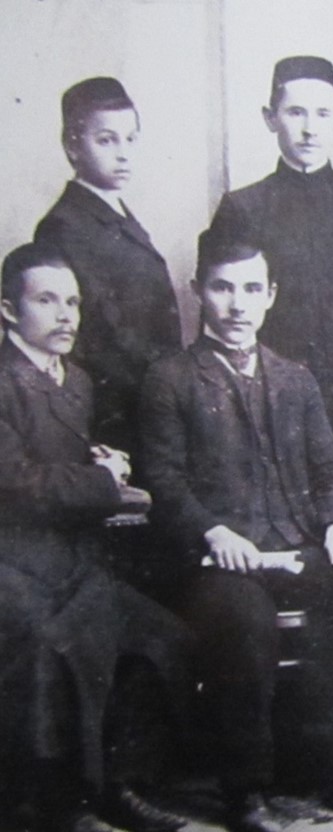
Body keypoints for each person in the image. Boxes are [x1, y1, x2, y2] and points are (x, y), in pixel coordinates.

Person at [138, 230, 333, 830]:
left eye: (252, 289)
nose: (238, 305)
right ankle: (247, 792)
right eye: (223, 288)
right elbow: (163, 480)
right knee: (243, 625)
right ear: (197, 292)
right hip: (219, 561)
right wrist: (212, 532)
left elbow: (329, 469)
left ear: (271, 295)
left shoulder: (295, 378)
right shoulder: (171, 379)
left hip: (295, 545)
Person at [0, 243, 189, 832]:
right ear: (7, 311)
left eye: (74, 302)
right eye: (46, 300)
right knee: (52, 645)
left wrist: (97, 460)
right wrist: (103, 480)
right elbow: (19, 484)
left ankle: (121, 783)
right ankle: (61, 805)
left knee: (163, 635)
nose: (66, 316)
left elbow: (60, 463)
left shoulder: (76, 380)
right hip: (13, 564)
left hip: (74, 560)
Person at [206, 55, 333, 429]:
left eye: (322, 114)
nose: (310, 129)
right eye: (296, 113)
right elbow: (220, 319)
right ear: (270, 118)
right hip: (267, 400)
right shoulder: (242, 208)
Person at [34, 77, 182, 456]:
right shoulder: (65, 226)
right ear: (72, 146)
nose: (123, 154)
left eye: (130, 139)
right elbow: (83, 337)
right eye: (106, 140)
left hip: (150, 402)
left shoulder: (116, 214)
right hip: (114, 411)